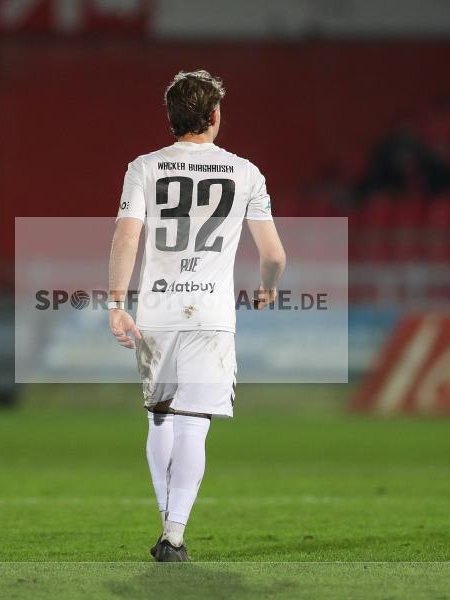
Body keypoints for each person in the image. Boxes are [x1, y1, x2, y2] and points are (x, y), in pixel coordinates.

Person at [107, 70, 286, 562]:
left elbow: (126, 237)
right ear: (214, 116)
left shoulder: (143, 167)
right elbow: (273, 255)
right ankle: (175, 534)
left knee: (161, 419)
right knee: (194, 424)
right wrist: (267, 290)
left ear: (171, 118)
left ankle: (167, 525)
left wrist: (116, 304)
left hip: (158, 310)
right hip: (209, 312)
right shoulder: (245, 172)